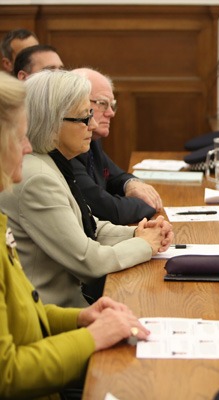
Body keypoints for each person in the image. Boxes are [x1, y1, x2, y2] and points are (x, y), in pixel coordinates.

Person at [0, 71, 151, 400]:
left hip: (59, 333)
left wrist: (81, 318)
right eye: (19, 136)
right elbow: (7, 373)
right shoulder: (36, 175)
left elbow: (26, 309)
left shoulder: (53, 166)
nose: (27, 147)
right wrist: (93, 336)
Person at [0, 69, 174, 309]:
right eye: (84, 118)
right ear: (52, 122)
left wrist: (136, 234)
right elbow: (88, 260)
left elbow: (86, 225)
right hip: (55, 312)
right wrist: (145, 245)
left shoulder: (53, 162)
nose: (92, 125)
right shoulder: (36, 178)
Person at [71, 67, 161, 224]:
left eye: (112, 105)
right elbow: (111, 210)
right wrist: (148, 202)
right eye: (102, 104)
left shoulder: (92, 140)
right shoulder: (68, 150)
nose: (111, 113)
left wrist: (132, 184)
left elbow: (116, 176)